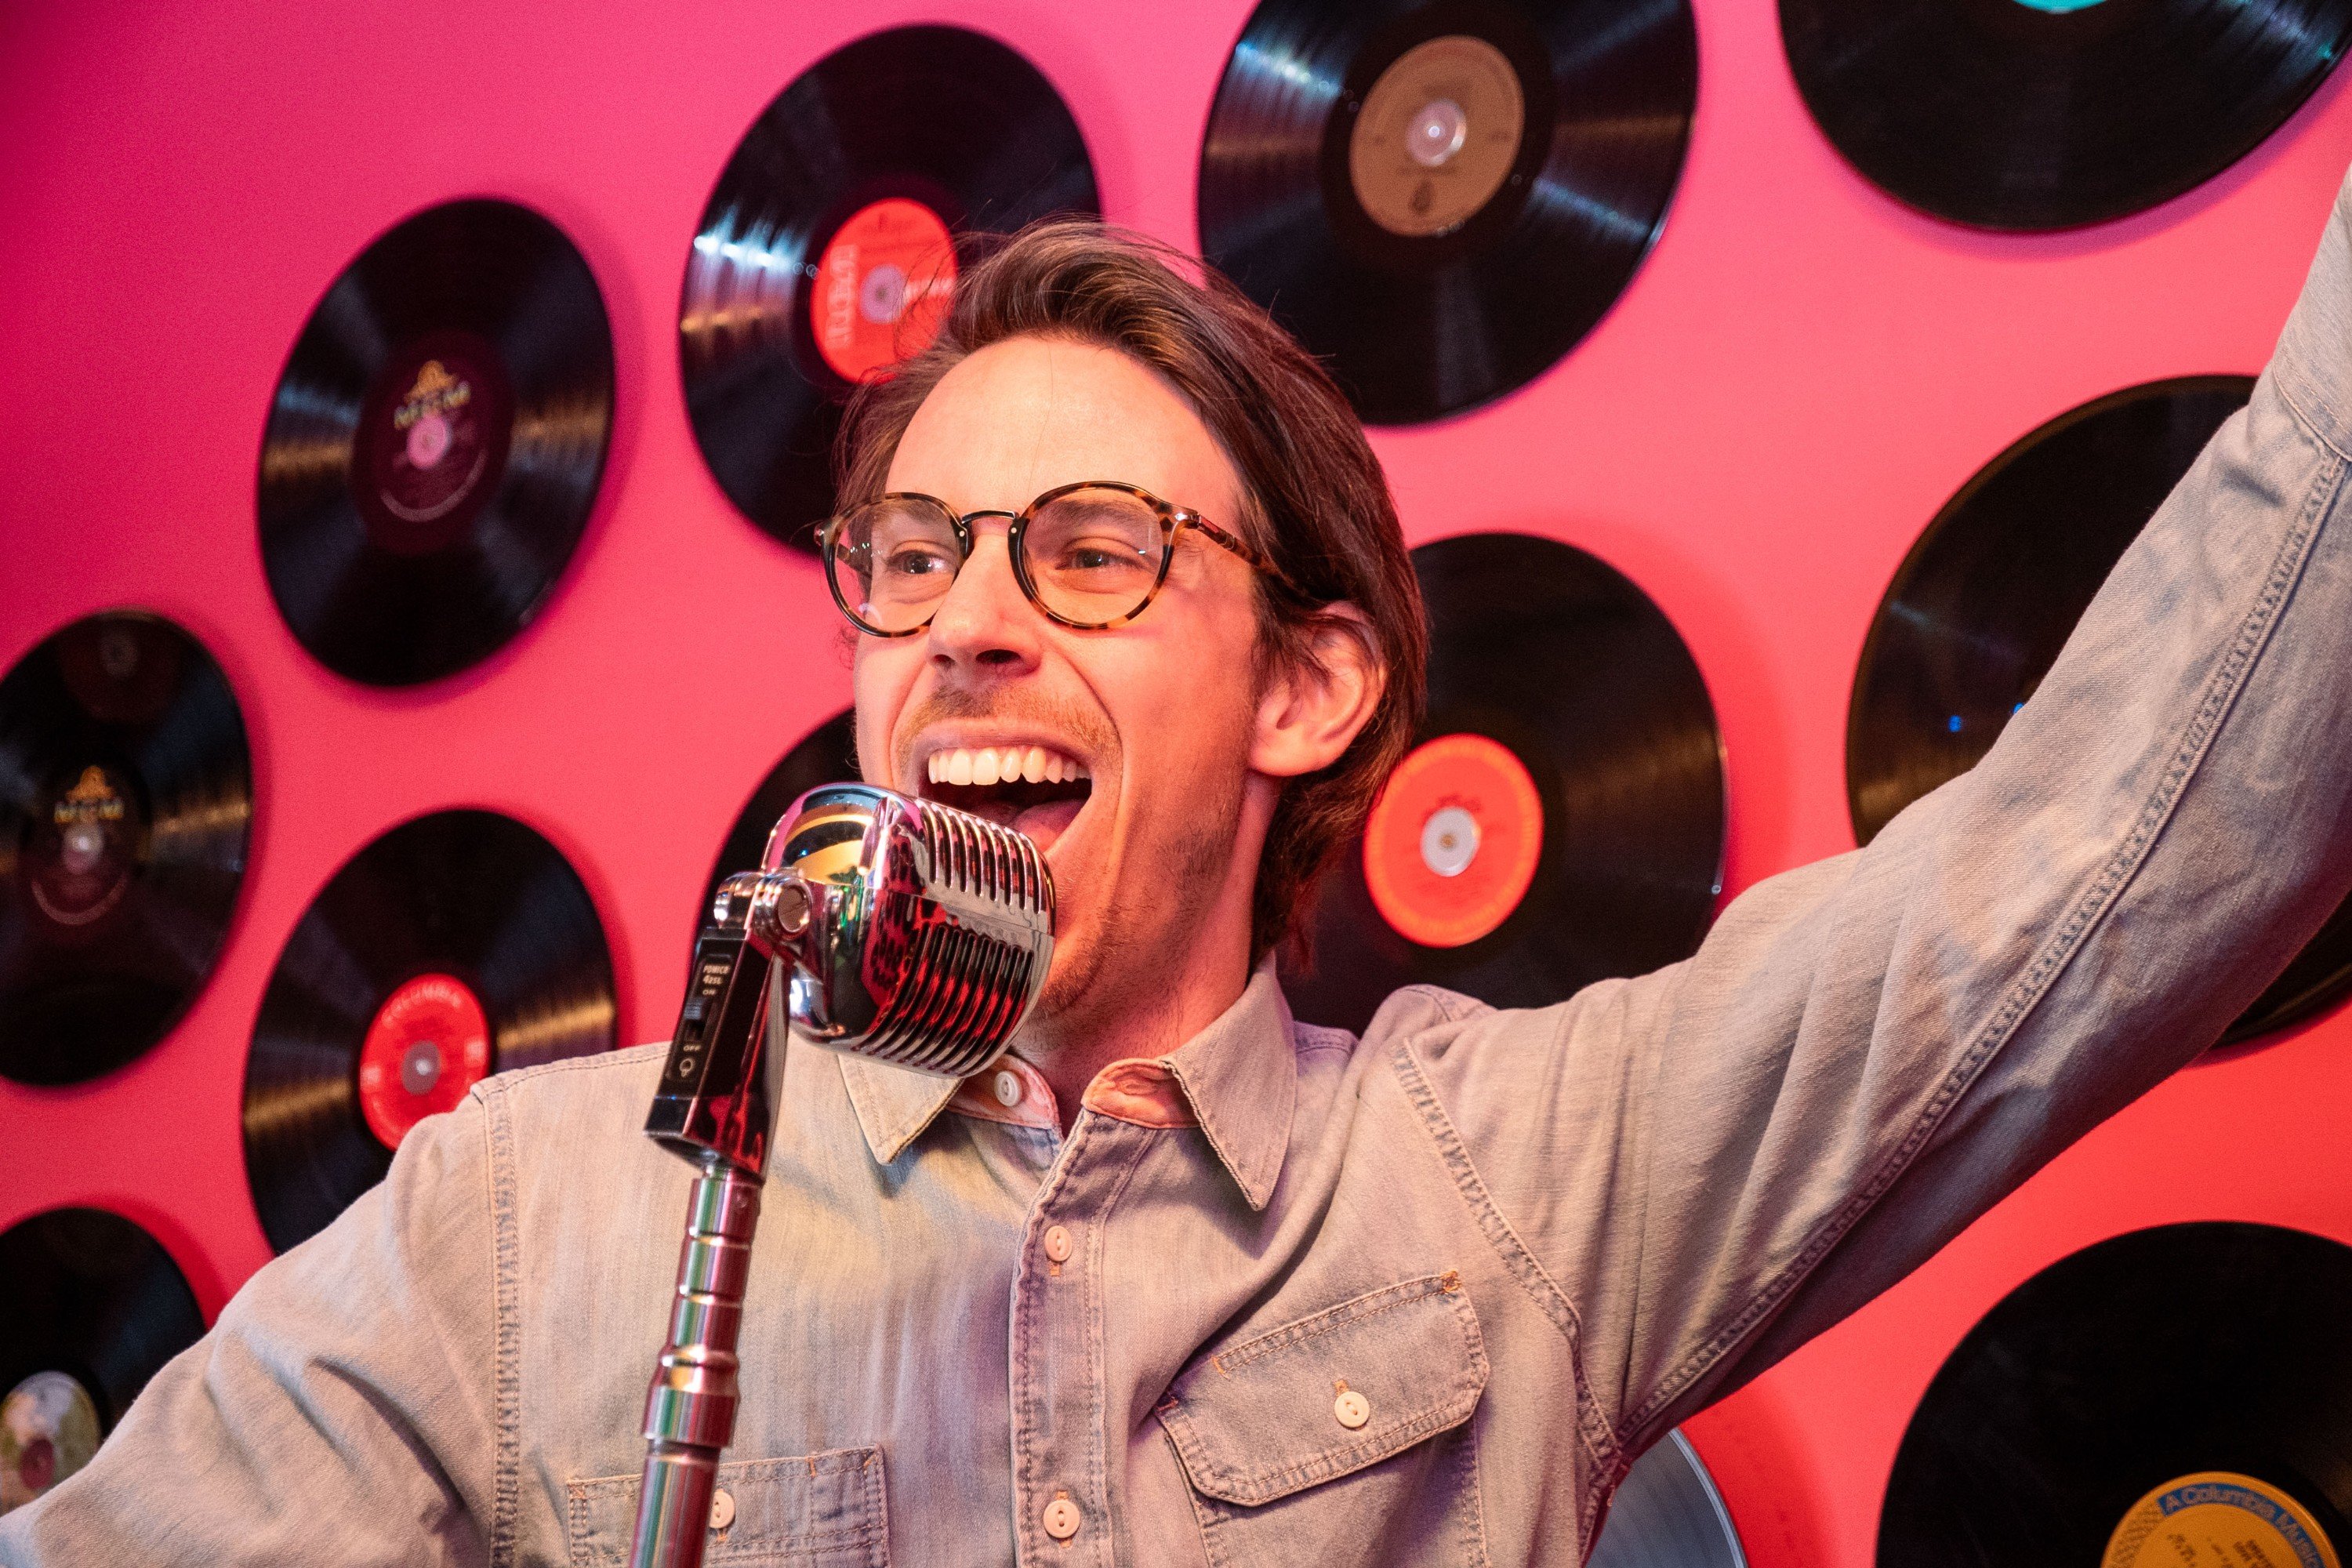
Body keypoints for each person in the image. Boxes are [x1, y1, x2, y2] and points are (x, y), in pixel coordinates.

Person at [11, 172, 2352, 1566]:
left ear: (1306, 690)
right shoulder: (530, 1218)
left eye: (1091, 549)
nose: (967, 622)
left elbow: (2112, 837)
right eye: (913, 554)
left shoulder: (1517, 1173)